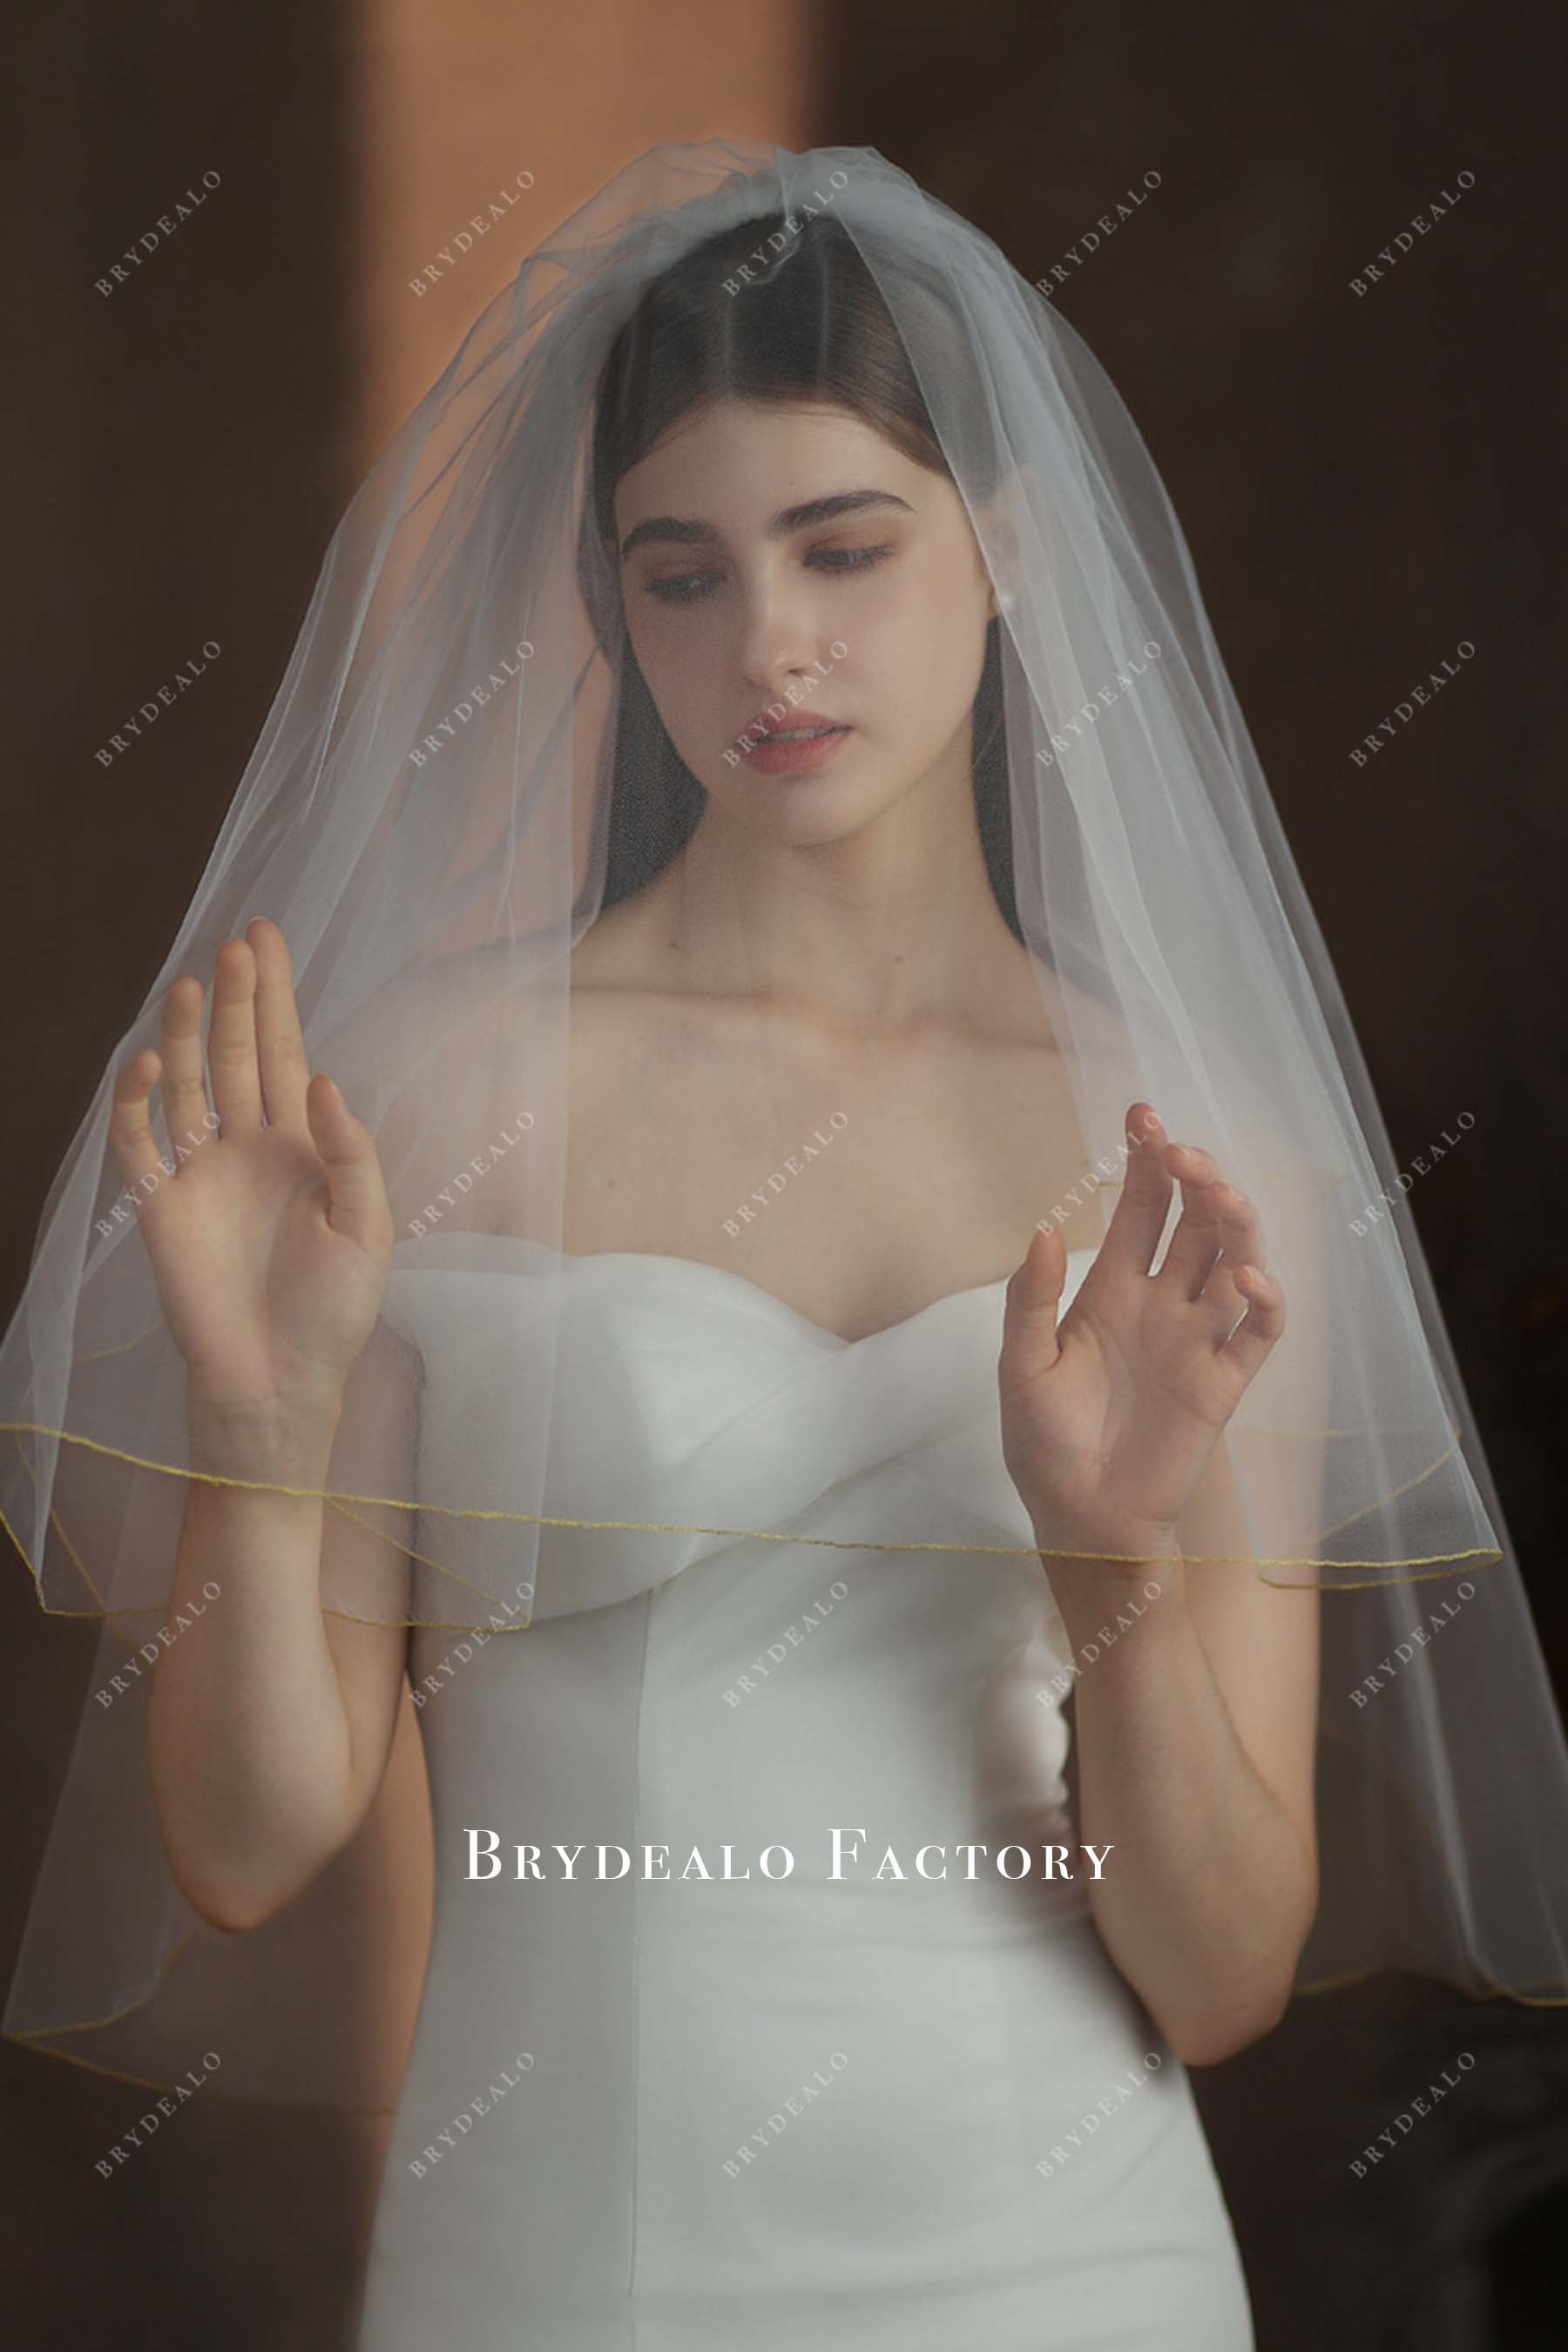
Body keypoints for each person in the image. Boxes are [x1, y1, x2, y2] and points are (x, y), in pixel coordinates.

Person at [5, 139, 1567, 2351]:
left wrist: (1109, 1561)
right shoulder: (434, 1094)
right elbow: (249, 1848)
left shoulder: (1198, 1152)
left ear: (1008, 551)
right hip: (572, 2254)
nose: (773, 647)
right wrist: (257, 1434)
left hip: (1070, 2265)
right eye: (683, 576)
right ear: (612, 608)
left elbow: (1220, 1979)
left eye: (844, 547)